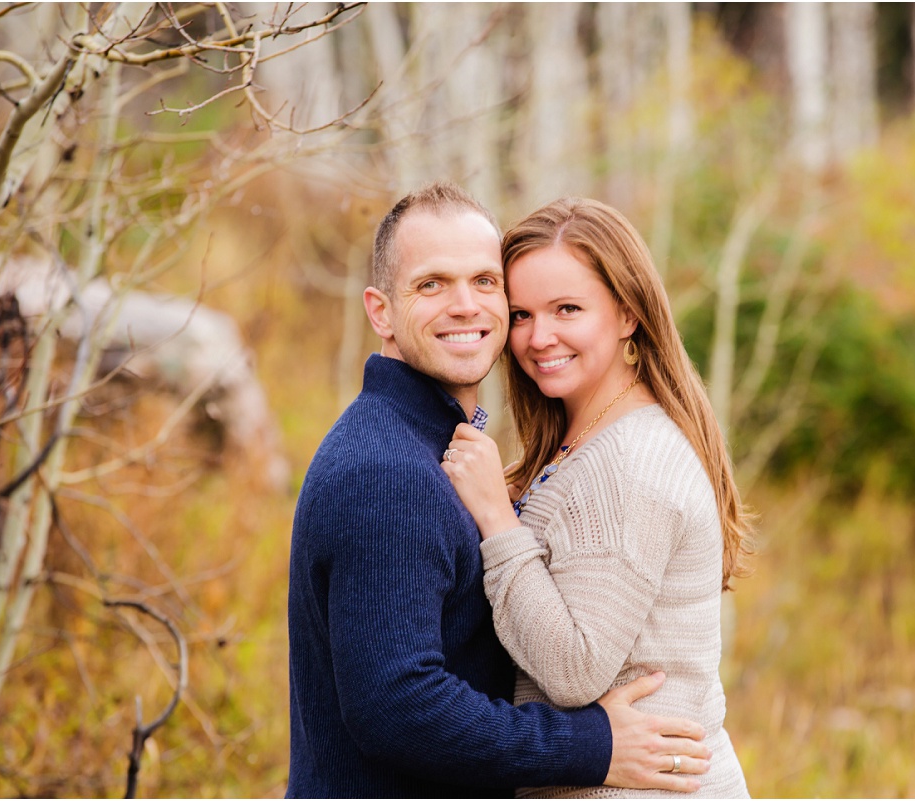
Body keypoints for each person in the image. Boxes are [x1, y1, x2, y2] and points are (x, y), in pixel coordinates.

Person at [286, 182, 714, 798]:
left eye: (486, 283)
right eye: (432, 284)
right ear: (380, 311)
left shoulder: (443, 452)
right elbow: (398, 705)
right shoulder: (385, 473)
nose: (466, 306)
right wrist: (591, 747)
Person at [441, 197, 753, 798]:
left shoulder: (628, 465)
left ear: (628, 314)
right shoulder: (589, 439)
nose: (539, 337)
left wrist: (497, 519)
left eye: (568, 309)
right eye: (522, 314)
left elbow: (574, 669)